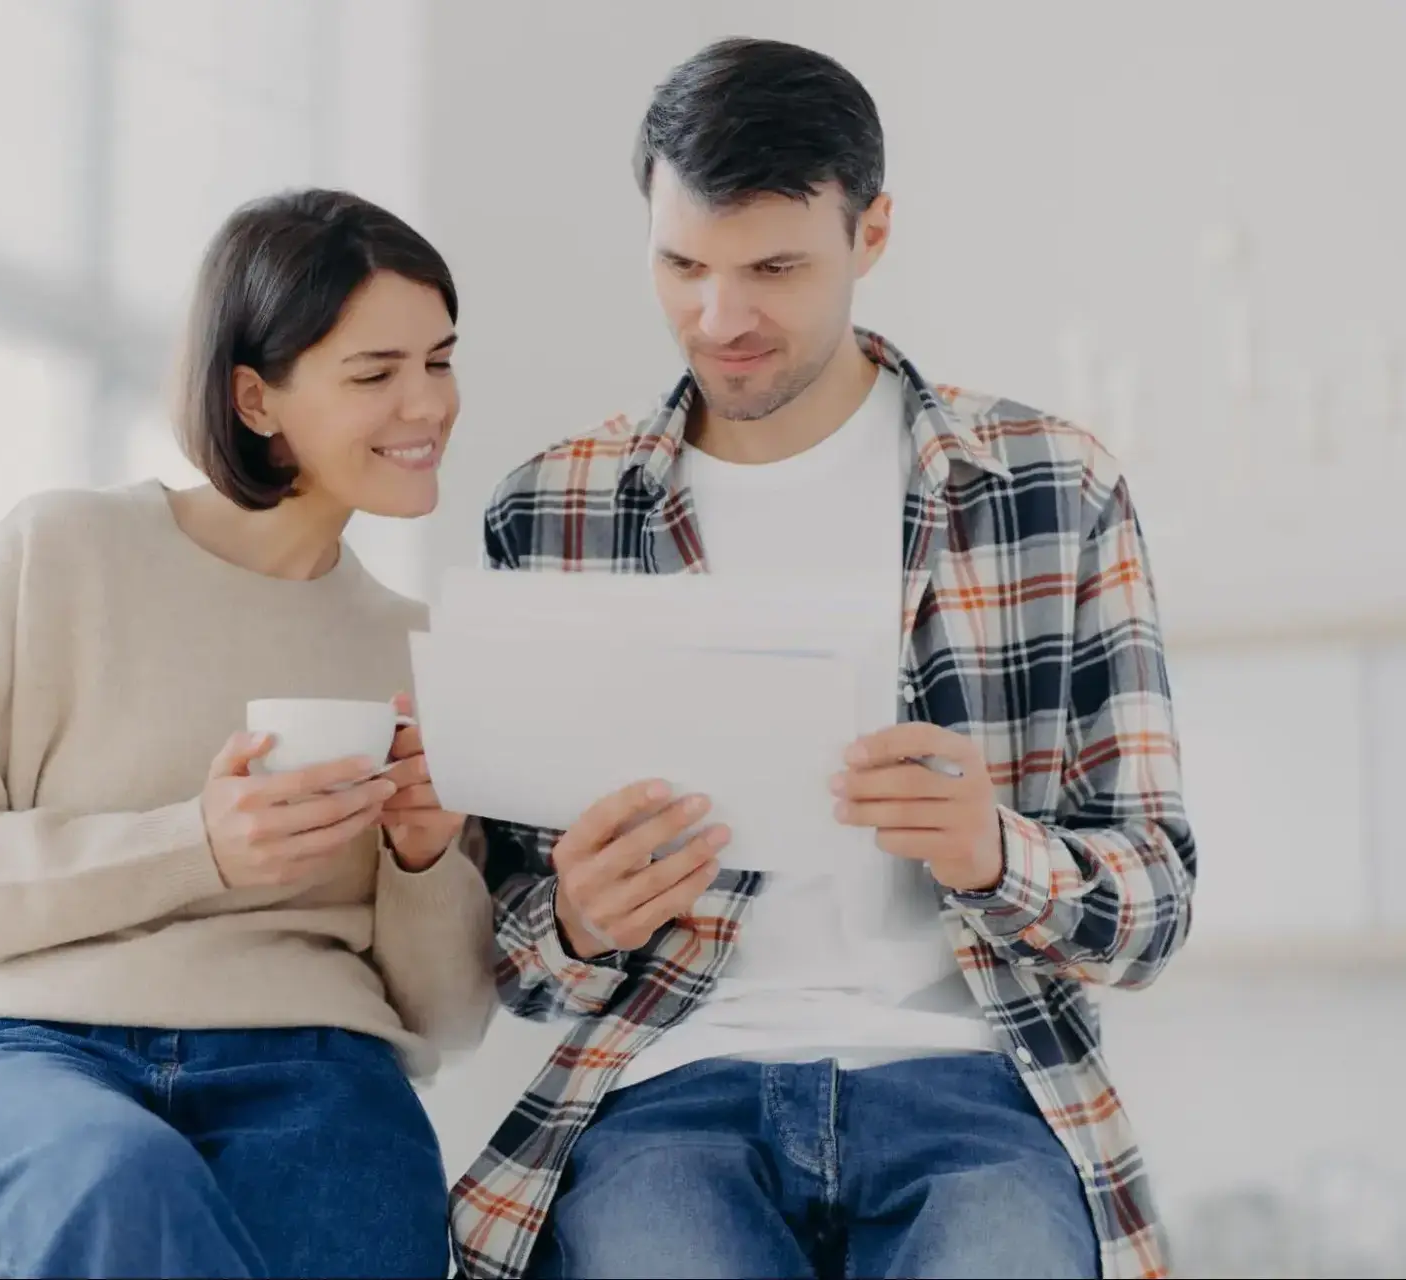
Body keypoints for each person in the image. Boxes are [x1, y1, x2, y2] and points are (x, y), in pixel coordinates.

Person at [452, 38, 1196, 1280]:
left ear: (874, 231)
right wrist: (576, 918)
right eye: (682, 263)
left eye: (775, 268)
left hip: (973, 1089)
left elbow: (1157, 909)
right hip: (669, 1087)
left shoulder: (1053, 487)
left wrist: (991, 850)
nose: (720, 316)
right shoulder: (551, 509)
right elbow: (512, 957)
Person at [0, 188, 494, 1280]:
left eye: (439, 360)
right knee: (114, 1184)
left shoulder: (422, 649)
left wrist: (425, 854)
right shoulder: (58, 554)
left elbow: (445, 1016)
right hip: (23, 1049)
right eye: (375, 372)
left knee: (365, 1214)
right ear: (256, 398)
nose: (426, 404)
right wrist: (194, 844)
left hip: (318, 1071)